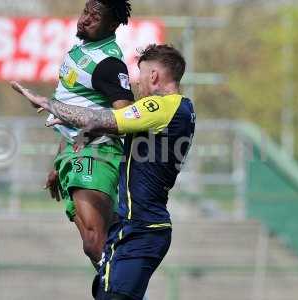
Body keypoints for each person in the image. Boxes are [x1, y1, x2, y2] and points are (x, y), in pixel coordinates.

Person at [12, 43, 196, 300]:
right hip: (138, 227)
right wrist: (81, 131)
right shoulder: (181, 110)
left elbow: (105, 118)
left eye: (140, 76)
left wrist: (48, 103)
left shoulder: (161, 106)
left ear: (153, 76)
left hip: (141, 229)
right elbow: (107, 126)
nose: (137, 85)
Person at [41, 0, 134, 269]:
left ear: (112, 24)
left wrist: (84, 140)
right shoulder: (82, 49)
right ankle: (122, 288)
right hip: (76, 151)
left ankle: (124, 290)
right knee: (100, 241)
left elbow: (125, 116)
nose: (86, 20)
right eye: (86, 12)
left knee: (95, 243)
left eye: (96, 16)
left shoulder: (108, 63)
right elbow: (77, 112)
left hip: (97, 151)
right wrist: (59, 162)